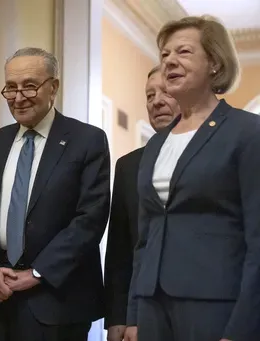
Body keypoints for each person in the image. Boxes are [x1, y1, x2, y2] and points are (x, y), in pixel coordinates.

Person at [124, 16, 260, 341]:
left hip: (217, 304)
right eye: (165, 54)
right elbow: (144, 239)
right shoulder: (156, 143)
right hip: (152, 304)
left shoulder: (247, 133)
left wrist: (243, 327)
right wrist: (134, 313)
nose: (169, 60)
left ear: (214, 62)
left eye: (183, 52)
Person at [0, 47, 111, 341]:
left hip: (57, 303)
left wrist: (35, 274)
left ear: (53, 87)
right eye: (10, 88)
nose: (19, 97)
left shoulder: (87, 141)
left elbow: (90, 219)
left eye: (29, 86)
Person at [104, 65, 179, 341]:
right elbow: (120, 251)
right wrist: (117, 319)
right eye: (149, 95)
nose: (156, 101)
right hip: (141, 315)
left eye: (166, 92)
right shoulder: (128, 166)